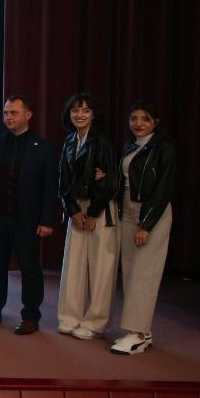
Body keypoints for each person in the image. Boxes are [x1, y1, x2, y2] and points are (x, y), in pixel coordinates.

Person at [0, 96, 59, 335]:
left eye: (14, 113)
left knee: (30, 269)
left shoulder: (43, 147)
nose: (8, 117)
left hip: (28, 220)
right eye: (6, 113)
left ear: (28, 115)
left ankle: (30, 316)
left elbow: (50, 187)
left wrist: (47, 220)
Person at [55, 92, 121, 341]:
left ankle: (95, 322)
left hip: (100, 209)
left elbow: (111, 181)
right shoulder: (69, 141)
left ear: (94, 114)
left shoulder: (103, 142)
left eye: (85, 110)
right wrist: (72, 210)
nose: (79, 115)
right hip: (77, 209)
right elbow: (63, 180)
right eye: (75, 110)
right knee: (73, 265)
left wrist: (93, 212)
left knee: (101, 268)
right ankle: (69, 316)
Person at [113, 102, 175, 355]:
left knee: (144, 274)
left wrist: (146, 225)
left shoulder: (164, 148)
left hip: (152, 213)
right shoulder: (129, 146)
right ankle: (141, 330)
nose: (138, 123)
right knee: (129, 271)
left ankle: (137, 334)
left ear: (155, 122)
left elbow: (163, 189)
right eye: (134, 118)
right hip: (128, 211)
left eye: (145, 119)